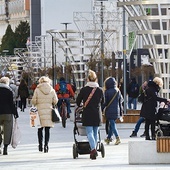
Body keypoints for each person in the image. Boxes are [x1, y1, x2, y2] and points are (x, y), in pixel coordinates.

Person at [76, 69, 104, 160]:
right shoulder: (100, 90)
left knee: (89, 132)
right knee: (95, 132)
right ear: (96, 79)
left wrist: (82, 105)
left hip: (87, 113)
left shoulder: (84, 90)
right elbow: (103, 102)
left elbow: (77, 101)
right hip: (97, 113)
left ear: (88, 79)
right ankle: (94, 149)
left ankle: (93, 149)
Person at [31, 76, 58, 153]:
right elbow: (55, 100)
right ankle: (46, 145)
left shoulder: (37, 89)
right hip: (49, 111)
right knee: (47, 129)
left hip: (39, 111)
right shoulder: (51, 90)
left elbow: (33, 101)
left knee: (39, 129)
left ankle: (40, 145)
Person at [0, 77, 19, 155]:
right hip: (7, 113)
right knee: (7, 131)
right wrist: (15, 113)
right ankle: (5, 148)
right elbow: (12, 104)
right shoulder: (9, 91)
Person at [102, 77, 123, 145]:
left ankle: (117, 137)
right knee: (111, 125)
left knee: (112, 124)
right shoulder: (118, 91)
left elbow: (105, 102)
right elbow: (120, 103)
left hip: (109, 111)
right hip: (117, 110)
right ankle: (108, 138)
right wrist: (121, 112)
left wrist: (101, 109)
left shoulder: (107, 92)